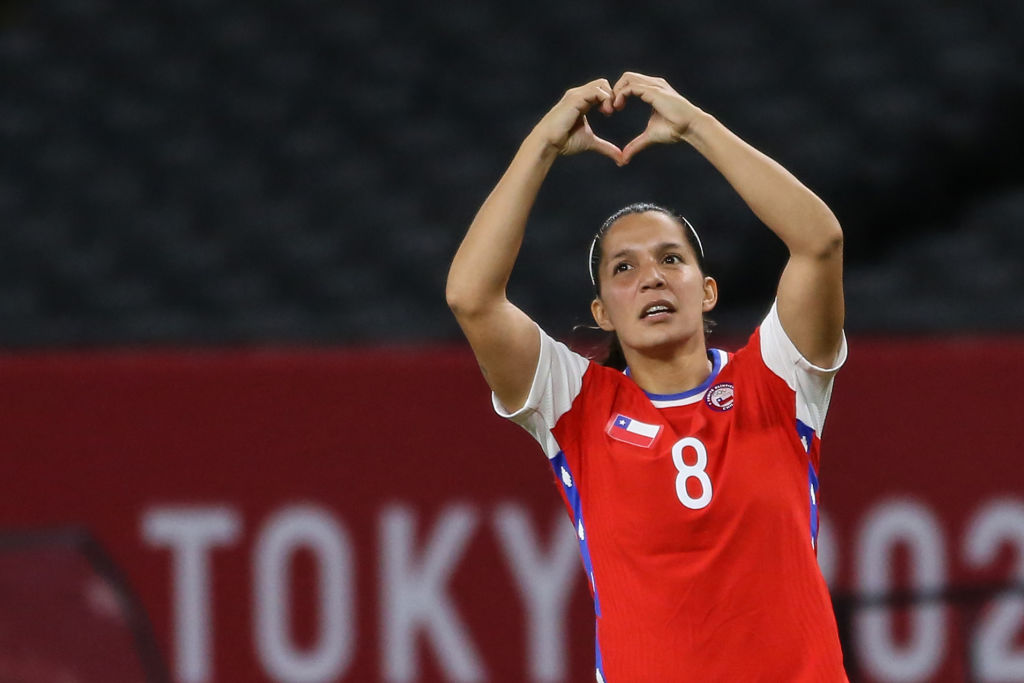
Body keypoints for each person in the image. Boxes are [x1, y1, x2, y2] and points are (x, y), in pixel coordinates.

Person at [446, 72, 848, 681]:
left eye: (671, 259)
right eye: (624, 268)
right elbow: (472, 298)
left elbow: (819, 242)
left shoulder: (778, 380)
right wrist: (542, 145)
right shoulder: (576, 407)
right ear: (602, 312)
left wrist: (695, 127)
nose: (652, 278)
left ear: (707, 290)